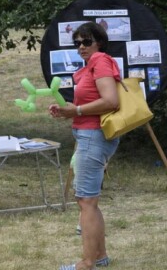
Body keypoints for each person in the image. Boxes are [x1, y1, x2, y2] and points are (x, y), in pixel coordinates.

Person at [50, 22, 120, 270]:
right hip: (89, 136)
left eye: (86, 41)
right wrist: (67, 110)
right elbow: (92, 101)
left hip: (93, 137)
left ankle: (87, 263)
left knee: (86, 202)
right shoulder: (92, 64)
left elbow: (111, 100)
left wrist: (76, 110)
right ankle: (99, 257)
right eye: (77, 43)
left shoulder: (100, 60)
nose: (81, 47)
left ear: (99, 41)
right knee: (89, 201)